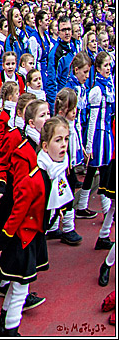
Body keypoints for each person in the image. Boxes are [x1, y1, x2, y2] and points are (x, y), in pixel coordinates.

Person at [0, 116, 70, 336]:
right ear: (44, 146)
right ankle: (11, 330)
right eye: (58, 140)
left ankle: (1, 327)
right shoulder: (34, 178)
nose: (63, 145)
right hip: (21, 239)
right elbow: (16, 215)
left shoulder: (56, 171)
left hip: (33, 236)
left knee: (17, 286)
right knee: (20, 289)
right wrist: (0, 247)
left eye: (66, 139)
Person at [81, 52, 114, 242]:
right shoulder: (96, 91)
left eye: (110, 65)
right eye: (105, 65)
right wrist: (89, 144)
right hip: (99, 136)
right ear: (98, 68)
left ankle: (86, 204)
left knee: (98, 171)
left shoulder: (109, 86)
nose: (108, 68)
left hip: (107, 134)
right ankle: (104, 210)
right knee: (100, 170)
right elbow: (92, 120)